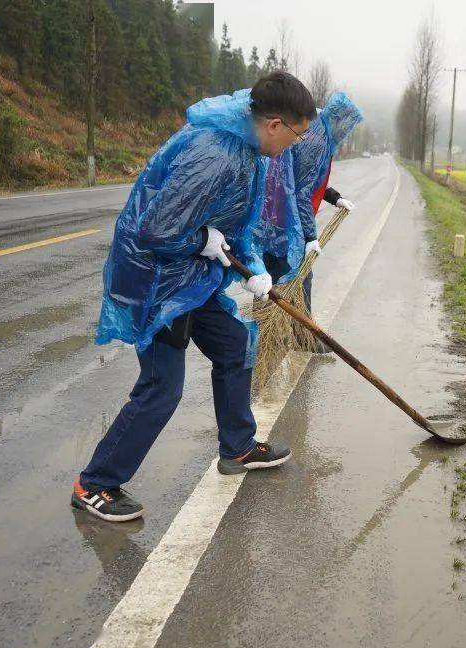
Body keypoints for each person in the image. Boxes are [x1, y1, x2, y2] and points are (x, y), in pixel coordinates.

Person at [71, 72, 317, 522]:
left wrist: (254, 267)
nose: (295, 146)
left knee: (234, 345)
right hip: (157, 278)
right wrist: (201, 238)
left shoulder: (249, 151)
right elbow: (156, 230)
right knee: (163, 387)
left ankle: (238, 447)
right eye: (298, 135)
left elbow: (236, 224)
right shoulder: (215, 153)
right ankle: (96, 483)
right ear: (276, 124)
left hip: (190, 275)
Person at [256, 92, 362, 353]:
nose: (346, 130)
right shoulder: (317, 140)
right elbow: (301, 192)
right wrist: (308, 236)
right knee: (300, 275)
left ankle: (261, 333)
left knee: (266, 273)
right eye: (346, 124)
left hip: (273, 216)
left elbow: (308, 181)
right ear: (338, 119)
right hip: (284, 220)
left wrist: (334, 198)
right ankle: (301, 336)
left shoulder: (316, 131)